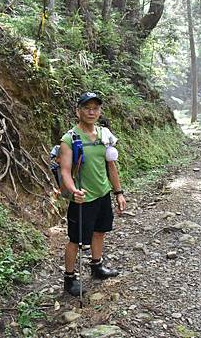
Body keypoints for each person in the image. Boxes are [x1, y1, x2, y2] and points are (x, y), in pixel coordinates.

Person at [59, 92, 126, 296]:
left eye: (95, 108)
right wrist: (73, 191)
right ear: (78, 110)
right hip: (82, 197)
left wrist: (119, 192)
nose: (91, 111)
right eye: (87, 107)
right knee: (76, 240)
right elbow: (65, 171)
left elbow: (111, 166)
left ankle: (97, 267)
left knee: (100, 231)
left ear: (100, 111)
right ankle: (69, 278)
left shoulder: (105, 134)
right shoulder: (69, 139)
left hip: (103, 194)